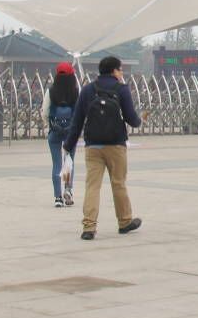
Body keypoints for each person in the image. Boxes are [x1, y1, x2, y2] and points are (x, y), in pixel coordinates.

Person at [63, 56, 143, 241]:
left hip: (93, 146)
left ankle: (89, 227)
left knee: (92, 186)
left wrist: (69, 144)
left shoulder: (88, 90)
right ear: (114, 71)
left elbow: (77, 120)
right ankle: (124, 222)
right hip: (116, 145)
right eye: (120, 70)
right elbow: (132, 119)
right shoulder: (122, 89)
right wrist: (139, 120)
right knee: (118, 183)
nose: (121, 73)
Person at [42, 62, 79, 207]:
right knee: (68, 161)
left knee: (56, 164)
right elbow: (80, 112)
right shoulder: (76, 91)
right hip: (71, 132)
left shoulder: (51, 91)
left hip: (55, 132)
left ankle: (58, 198)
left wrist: (50, 125)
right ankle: (68, 190)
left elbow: (45, 112)